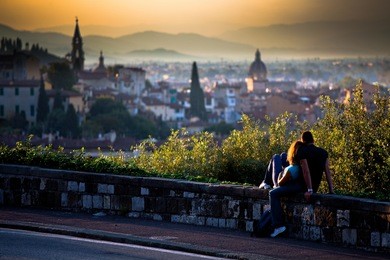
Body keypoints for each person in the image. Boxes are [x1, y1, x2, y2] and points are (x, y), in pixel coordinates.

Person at [269, 140, 305, 238]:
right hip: (292, 179)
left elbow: (280, 182)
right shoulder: (298, 165)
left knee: (275, 157)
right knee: (282, 155)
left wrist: (282, 174)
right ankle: (265, 182)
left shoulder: (291, 169)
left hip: (282, 182)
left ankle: (278, 226)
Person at [297, 131, 334, 201]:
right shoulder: (323, 153)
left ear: (302, 140)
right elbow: (327, 172)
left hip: (304, 187)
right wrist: (331, 189)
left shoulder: (302, 151)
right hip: (315, 187)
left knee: (281, 157)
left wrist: (309, 189)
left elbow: (306, 171)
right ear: (313, 140)